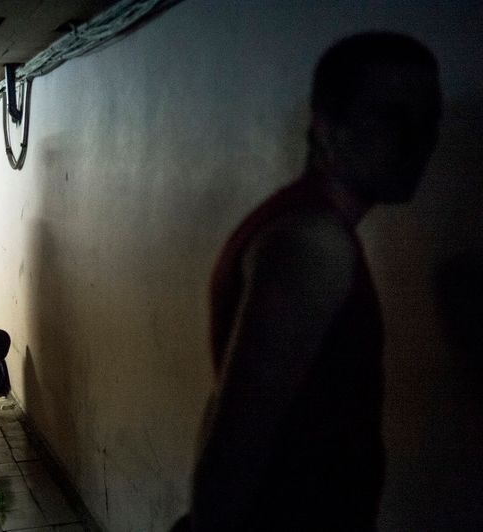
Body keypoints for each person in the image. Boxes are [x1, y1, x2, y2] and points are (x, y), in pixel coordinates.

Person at [179, 32, 442, 531]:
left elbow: (228, 405)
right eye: (391, 115)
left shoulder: (301, 226)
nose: (417, 141)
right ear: (326, 126)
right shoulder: (313, 243)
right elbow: (237, 437)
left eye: (430, 121)